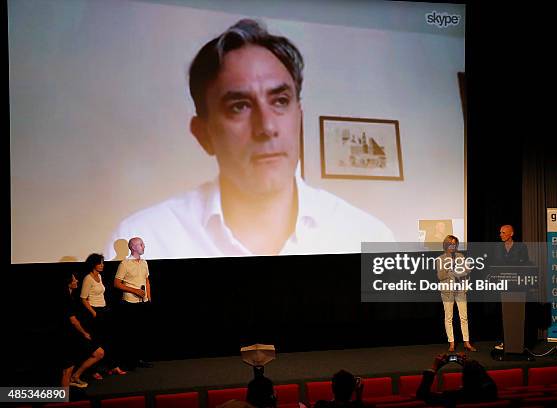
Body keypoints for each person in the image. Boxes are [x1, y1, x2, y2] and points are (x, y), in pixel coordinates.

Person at [105, 18, 394, 260]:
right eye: (239, 106)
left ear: (299, 117)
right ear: (203, 134)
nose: (266, 127)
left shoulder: (370, 239)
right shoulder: (146, 242)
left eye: (280, 101)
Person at [80, 253, 126, 377]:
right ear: (93, 264)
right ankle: (93, 371)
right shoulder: (88, 278)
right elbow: (83, 298)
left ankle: (113, 366)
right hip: (94, 312)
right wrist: (94, 312)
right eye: (99, 263)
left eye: (102, 263)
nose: (102, 265)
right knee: (97, 342)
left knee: (109, 340)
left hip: (104, 310)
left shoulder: (99, 276)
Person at [114, 237, 153, 370]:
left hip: (143, 302)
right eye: (141, 244)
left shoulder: (144, 263)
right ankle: (129, 362)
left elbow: (147, 280)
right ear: (133, 247)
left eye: (143, 244)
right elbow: (117, 283)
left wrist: (149, 297)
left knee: (141, 333)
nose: (144, 246)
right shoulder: (125, 264)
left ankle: (139, 360)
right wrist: (134, 290)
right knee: (130, 333)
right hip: (130, 303)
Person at [60, 272, 105, 389]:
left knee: (99, 353)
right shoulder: (65, 299)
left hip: (75, 334)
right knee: (67, 369)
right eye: (74, 280)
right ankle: (64, 400)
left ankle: (76, 376)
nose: (77, 281)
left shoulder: (72, 296)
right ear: (68, 283)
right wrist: (84, 333)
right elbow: (73, 321)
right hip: (68, 336)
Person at [492, 224, 531, 351]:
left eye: (503, 232)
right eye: (500, 232)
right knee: (503, 314)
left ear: (511, 233)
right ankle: (504, 341)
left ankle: (518, 342)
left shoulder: (521, 247)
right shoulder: (497, 247)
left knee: (517, 314)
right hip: (502, 285)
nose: (501, 235)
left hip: (517, 287)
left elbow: (525, 264)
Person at [436, 235, 476, 352]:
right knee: (449, 317)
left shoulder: (460, 256)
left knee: (464, 317)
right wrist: (448, 267)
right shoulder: (440, 259)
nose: (452, 246)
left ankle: (467, 342)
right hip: (447, 291)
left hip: (460, 290)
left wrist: (463, 268)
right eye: (450, 244)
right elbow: (440, 276)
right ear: (446, 245)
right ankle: (452, 343)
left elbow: (467, 271)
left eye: (454, 244)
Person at [416, 354, 497, 407]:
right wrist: (469, 365)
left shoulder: (453, 396)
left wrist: (434, 367)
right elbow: (486, 379)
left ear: (464, 378)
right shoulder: (490, 392)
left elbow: (422, 395)